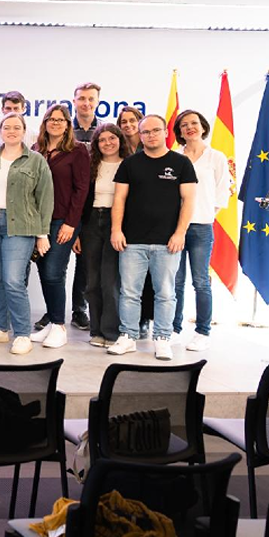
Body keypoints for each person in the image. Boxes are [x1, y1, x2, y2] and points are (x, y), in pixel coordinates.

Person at [108, 114, 197, 360]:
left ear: (166, 132)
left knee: (165, 293)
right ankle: (128, 336)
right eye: (145, 132)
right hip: (132, 241)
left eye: (155, 130)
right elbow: (119, 199)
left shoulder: (181, 163)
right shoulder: (129, 164)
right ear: (140, 135)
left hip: (168, 242)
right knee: (129, 292)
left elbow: (189, 200)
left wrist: (180, 233)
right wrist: (116, 230)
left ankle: (162, 338)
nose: (151, 135)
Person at [0, 113, 53, 355]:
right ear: (0, 131)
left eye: (17, 127)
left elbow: (45, 198)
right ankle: (0, 328)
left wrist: (43, 234)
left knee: (14, 281)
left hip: (20, 225)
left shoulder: (36, 160)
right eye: (7, 127)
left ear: (24, 131)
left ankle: (23, 334)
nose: (12, 131)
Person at [28, 104, 90, 349]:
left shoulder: (78, 150)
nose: (55, 123)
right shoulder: (36, 150)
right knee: (44, 272)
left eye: (60, 119)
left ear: (67, 124)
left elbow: (81, 190)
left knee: (54, 272)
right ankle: (53, 323)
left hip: (62, 221)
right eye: (51, 119)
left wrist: (71, 224)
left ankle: (59, 327)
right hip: (37, 221)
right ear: (45, 123)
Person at [172, 109, 229, 352]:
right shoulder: (174, 156)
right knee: (175, 281)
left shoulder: (216, 157)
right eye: (184, 125)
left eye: (194, 123)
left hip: (201, 228)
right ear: (179, 131)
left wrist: (204, 215)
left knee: (201, 281)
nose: (190, 128)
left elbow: (222, 193)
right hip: (175, 228)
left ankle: (202, 332)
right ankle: (174, 329)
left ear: (203, 127)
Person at [78, 123, 132, 347]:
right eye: (102, 140)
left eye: (112, 138)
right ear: (96, 144)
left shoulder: (129, 164)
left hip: (117, 223)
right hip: (91, 222)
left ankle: (111, 332)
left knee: (110, 281)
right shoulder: (91, 165)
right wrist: (78, 232)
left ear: (120, 140)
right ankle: (96, 330)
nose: (107, 143)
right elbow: (81, 199)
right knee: (92, 281)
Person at [67, 81, 102, 331]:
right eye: (81, 98)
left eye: (91, 99)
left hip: (94, 202)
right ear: (74, 101)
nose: (86, 103)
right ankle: (56, 311)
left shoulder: (106, 129)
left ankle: (81, 310)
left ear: (97, 102)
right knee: (57, 265)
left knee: (86, 263)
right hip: (68, 200)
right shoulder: (65, 129)